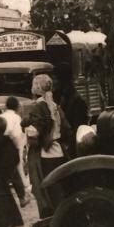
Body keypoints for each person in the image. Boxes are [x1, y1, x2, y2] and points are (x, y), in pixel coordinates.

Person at [23, 75, 71, 219]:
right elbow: (67, 129)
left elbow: (36, 131)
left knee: (46, 193)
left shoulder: (38, 107)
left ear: (36, 88)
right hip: (59, 153)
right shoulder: (56, 106)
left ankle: (51, 221)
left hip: (45, 154)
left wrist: (26, 129)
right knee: (59, 191)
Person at [0, 114, 27, 207]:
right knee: (16, 177)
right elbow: (14, 153)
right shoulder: (7, 139)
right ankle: (21, 198)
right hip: (8, 167)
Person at [1, 96, 28, 193]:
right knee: (18, 165)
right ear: (16, 106)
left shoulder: (0, 116)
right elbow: (17, 134)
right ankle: (23, 186)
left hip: (0, 145)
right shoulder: (16, 118)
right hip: (13, 143)